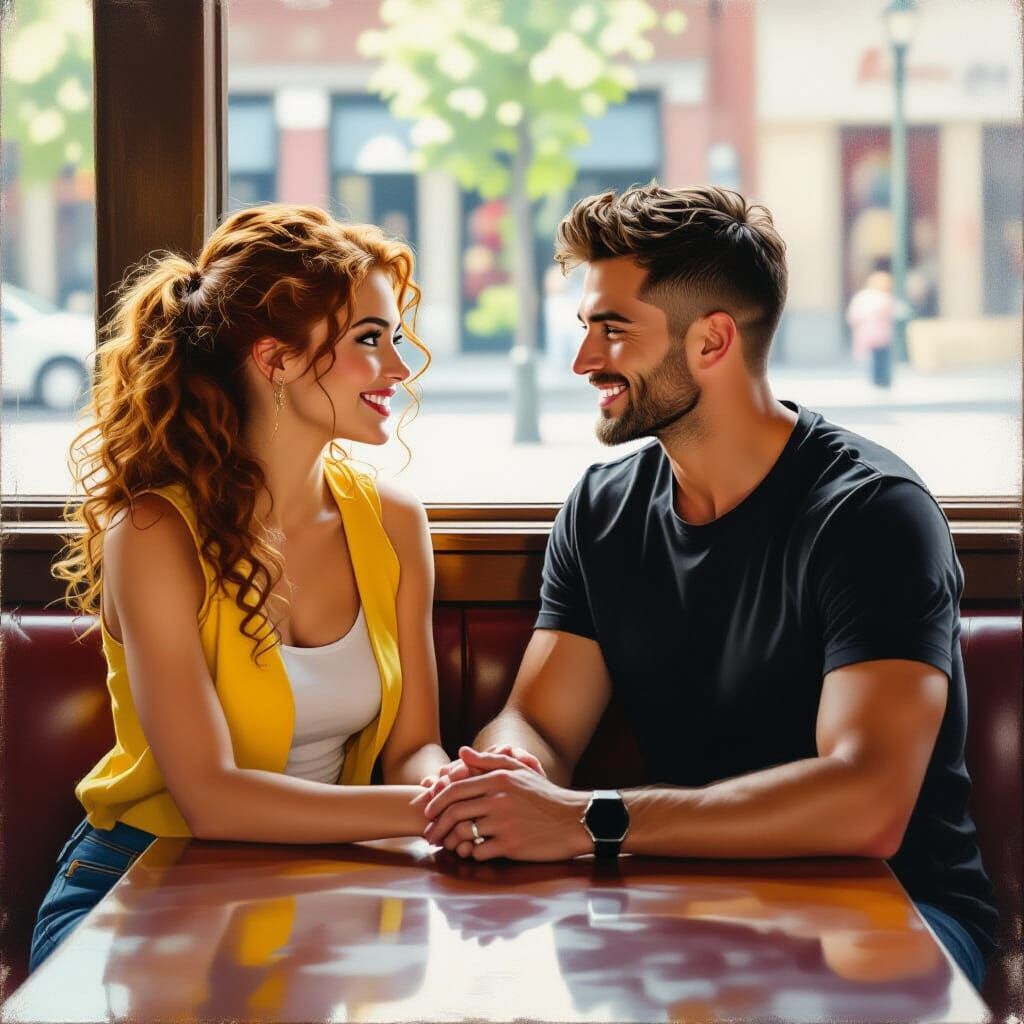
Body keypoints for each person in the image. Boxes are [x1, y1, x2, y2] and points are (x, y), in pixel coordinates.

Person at [418, 184, 998, 991]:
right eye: (586, 326)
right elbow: (544, 718)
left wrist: (589, 822)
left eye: (612, 329)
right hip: (681, 898)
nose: (584, 360)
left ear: (713, 341)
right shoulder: (600, 508)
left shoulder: (873, 514)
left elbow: (866, 801)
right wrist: (511, 773)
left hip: (895, 918)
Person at [29, 204, 450, 973]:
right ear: (277, 360)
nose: (400, 366)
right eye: (369, 339)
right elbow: (212, 798)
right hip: (139, 880)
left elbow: (413, 745)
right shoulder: (155, 532)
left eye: (394, 339)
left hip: (319, 882)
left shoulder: (392, 520)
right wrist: (434, 812)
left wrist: (456, 790)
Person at [846, 269, 895, 388]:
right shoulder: (883, 297)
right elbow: (890, 313)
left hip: (865, 333)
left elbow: (852, 316)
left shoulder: (862, 296)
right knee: (881, 359)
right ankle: (881, 381)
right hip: (880, 334)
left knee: (871, 359)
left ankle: (876, 381)